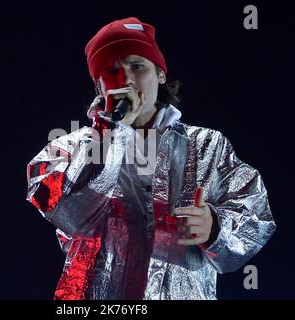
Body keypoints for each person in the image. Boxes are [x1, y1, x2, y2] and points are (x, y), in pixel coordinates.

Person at [26, 17, 276, 300]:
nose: (127, 79)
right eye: (111, 70)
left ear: (160, 74)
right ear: (99, 86)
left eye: (137, 65)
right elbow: (70, 214)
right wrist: (113, 130)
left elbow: (257, 217)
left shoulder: (208, 145)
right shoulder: (67, 148)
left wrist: (215, 227)